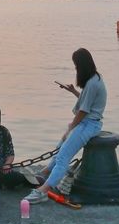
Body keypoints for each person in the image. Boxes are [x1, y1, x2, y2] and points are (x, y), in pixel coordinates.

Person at [26, 47, 106, 204]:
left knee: (63, 156)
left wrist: (70, 129)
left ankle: (44, 191)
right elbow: (87, 102)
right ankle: (46, 173)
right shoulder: (95, 79)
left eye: (76, 65)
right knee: (60, 147)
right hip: (86, 122)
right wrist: (74, 92)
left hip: (89, 124)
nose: (75, 68)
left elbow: (83, 111)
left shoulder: (92, 83)